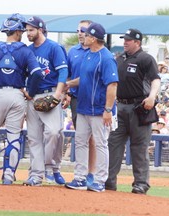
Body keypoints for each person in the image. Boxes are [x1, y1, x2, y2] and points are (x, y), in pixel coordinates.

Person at [0, 13, 43, 185]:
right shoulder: (25, 51)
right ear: (18, 31)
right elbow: (38, 73)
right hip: (17, 95)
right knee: (14, 135)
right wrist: (30, 92)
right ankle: (8, 175)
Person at [105, 28, 161, 194]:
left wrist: (152, 96)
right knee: (113, 144)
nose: (125, 42)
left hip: (139, 107)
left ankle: (141, 183)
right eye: (124, 39)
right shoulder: (119, 58)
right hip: (120, 105)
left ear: (137, 42)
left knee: (139, 147)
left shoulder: (145, 58)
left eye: (128, 40)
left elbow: (156, 79)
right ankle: (109, 181)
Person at [65, 22, 118, 192]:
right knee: (80, 142)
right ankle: (80, 178)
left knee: (101, 143)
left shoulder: (106, 57)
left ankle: (100, 180)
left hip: (98, 109)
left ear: (94, 38)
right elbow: (84, 79)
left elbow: (112, 86)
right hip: (83, 107)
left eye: (86, 34)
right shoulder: (88, 54)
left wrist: (108, 110)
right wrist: (67, 85)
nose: (83, 37)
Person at [23, 16, 68, 186]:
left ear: (40, 30)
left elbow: (63, 71)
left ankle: (51, 166)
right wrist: (24, 91)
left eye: (31, 30)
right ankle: (36, 174)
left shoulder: (53, 47)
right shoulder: (28, 50)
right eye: (27, 30)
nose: (28, 33)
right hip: (32, 96)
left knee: (54, 132)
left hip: (50, 95)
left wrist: (58, 93)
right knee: (34, 138)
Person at [66, 19, 96, 185]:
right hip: (77, 99)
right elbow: (68, 75)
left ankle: (91, 173)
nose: (80, 33)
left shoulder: (97, 51)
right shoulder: (73, 51)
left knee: (93, 138)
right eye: (78, 30)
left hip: (93, 99)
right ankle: (81, 174)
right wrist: (68, 94)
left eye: (83, 30)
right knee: (81, 137)